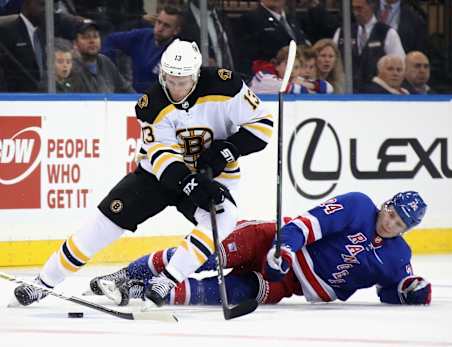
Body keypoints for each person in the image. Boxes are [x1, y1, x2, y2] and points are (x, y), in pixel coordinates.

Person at [12, 39, 273, 308]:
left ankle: (167, 280)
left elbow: (263, 127)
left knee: (224, 218)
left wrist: (226, 151)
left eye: (182, 81)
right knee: (103, 223)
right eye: (170, 79)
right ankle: (42, 283)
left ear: (195, 75)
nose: (176, 87)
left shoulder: (226, 86)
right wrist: (187, 181)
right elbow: (161, 157)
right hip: (159, 177)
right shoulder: (151, 103)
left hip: (214, 174)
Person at [90, 191, 431, 307]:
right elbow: (304, 225)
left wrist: (412, 293)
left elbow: (393, 289)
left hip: (289, 284)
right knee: (207, 255)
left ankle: (137, 292)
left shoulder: (398, 257)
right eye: (391, 213)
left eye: (400, 223)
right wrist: (283, 249)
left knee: (227, 292)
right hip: (270, 241)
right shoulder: (358, 206)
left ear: (406, 230)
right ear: (385, 204)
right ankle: (123, 275)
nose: (390, 223)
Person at [101, 5, 183, 92]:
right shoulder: (143, 36)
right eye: (159, 22)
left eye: (166, 26)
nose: (160, 28)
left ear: (176, 30)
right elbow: (110, 39)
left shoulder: (179, 52)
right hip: (132, 96)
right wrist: (110, 68)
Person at [333, 0, 405, 92]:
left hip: (377, 95)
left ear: (371, 6)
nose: (355, 13)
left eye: (359, 8)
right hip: (346, 93)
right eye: (354, 9)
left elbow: (401, 65)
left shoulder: (388, 33)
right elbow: (333, 63)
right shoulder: (342, 33)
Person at [237, 0, 310, 77]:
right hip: (268, 79)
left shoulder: (293, 18)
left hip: (297, 77)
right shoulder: (250, 19)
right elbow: (246, 58)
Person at [70, 20, 135, 93]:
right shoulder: (70, 67)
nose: (92, 41)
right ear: (75, 43)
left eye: (95, 36)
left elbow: (126, 90)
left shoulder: (105, 61)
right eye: (86, 37)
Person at [249, 45, 333, 95]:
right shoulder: (264, 77)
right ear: (277, 66)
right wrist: (308, 86)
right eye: (288, 65)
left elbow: (328, 88)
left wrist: (310, 85)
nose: (291, 70)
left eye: (296, 67)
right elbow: (295, 89)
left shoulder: (295, 80)